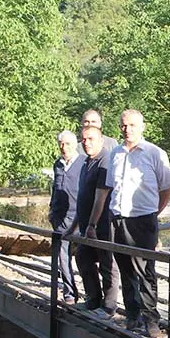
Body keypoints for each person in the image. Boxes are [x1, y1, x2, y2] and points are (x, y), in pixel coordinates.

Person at [87, 110, 170, 338]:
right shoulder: (115, 154)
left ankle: (151, 321)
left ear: (142, 126)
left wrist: (155, 212)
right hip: (117, 219)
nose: (128, 129)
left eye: (132, 125)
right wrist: (95, 222)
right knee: (125, 269)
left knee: (145, 271)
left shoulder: (155, 153)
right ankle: (133, 315)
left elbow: (167, 187)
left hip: (143, 219)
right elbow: (108, 190)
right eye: (124, 125)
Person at [70, 122, 120, 319]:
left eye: (91, 139)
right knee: (83, 258)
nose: (86, 143)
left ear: (101, 140)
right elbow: (83, 199)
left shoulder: (104, 161)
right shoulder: (85, 163)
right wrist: (74, 227)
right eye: (83, 139)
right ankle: (93, 299)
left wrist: (92, 225)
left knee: (108, 264)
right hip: (86, 226)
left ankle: (109, 307)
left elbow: (101, 197)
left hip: (102, 225)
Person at [49, 130, 84, 304]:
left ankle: (93, 296)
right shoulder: (58, 164)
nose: (64, 147)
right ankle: (69, 292)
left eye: (68, 144)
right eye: (61, 144)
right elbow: (55, 188)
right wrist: (51, 210)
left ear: (75, 144)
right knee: (62, 257)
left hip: (79, 217)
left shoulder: (83, 163)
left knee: (84, 257)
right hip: (60, 218)